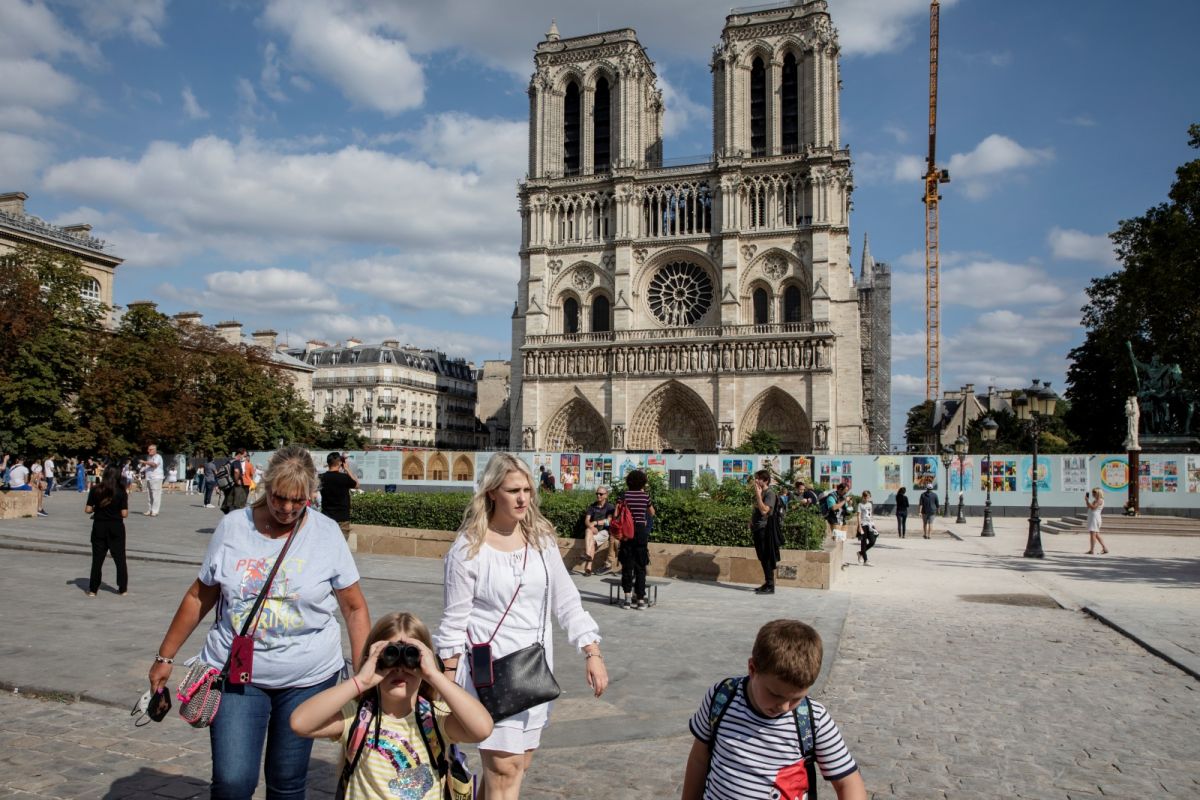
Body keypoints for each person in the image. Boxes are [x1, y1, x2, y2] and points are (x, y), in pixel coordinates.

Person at [147, 445, 371, 800]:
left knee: (287, 782)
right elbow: (199, 596)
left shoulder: (326, 534)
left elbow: (355, 608)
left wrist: (362, 676)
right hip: (236, 675)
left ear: (311, 494)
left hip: (308, 679)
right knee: (233, 781)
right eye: (279, 497)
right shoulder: (233, 527)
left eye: (298, 501)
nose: (287, 508)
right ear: (266, 487)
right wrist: (165, 656)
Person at [433, 453, 608, 800]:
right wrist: (445, 685)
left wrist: (592, 651)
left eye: (527, 489)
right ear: (492, 492)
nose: (523, 498)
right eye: (513, 490)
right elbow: (453, 624)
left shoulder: (541, 541)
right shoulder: (469, 549)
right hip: (490, 678)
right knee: (504, 771)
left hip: (533, 676)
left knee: (516, 767)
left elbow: (567, 600)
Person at [290, 612, 494, 800]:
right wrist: (361, 681)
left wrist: (434, 675)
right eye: (389, 657)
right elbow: (300, 723)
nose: (399, 669)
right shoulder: (358, 716)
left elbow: (482, 728)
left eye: (411, 659)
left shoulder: (434, 719)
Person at [681, 619, 866, 800]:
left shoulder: (813, 720)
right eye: (775, 694)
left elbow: (848, 782)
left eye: (796, 698)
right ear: (752, 669)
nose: (784, 707)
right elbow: (699, 758)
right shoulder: (721, 697)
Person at [85, 464, 129, 596]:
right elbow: (124, 514)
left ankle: (93, 589)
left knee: (97, 559)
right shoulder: (121, 492)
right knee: (120, 558)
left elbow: (87, 509)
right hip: (116, 527)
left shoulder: (95, 490)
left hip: (99, 526)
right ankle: (122, 588)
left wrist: (96, 509)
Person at [618, 469, 656, 609]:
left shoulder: (624, 495)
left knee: (627, 566)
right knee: (640, 567)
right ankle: (640, 599)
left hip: (627, 532)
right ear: (643, 482)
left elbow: (617, 512)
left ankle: (627, 599)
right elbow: (652, 512)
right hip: (640, 532)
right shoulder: (645, 497)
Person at [750, 470, 780, 595]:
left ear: (765, 480)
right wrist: (750, 520)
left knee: (766, 557)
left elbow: (764, 511)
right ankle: (767, 582)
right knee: (762, 557)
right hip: (757, 528)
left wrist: (758, 494)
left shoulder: (769, 494)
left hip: (765, 529)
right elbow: (757, 510)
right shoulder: (762, 492)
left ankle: (770, 585)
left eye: (758, 479)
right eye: (756, 478)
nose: (756, 481)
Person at [320, 452, 359, 539]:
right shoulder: (344, 478)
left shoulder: (321, 477)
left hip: (326, 517)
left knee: (326, 545)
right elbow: (356, 485)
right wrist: (347, 469)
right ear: (340, 463)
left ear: (328, 463)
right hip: (342, 517)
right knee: (341, 547)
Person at [581, 486, 616, 576]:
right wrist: (591, 526)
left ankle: (588, 562)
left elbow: (608, 521)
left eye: (601, 494)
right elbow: (587, 520)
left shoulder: (610, 507)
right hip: (594, 530)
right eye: (597, 493)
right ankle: (588, 563)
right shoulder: (592, 506)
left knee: (590, 538)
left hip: (604, 531)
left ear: (606, 495)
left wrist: (595, 522)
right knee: (588, 530)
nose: (598, 496)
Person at [139, 443, 164, 517]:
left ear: (154, 450)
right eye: (148, 449)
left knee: (156, 495)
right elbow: (148, 466)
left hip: (156, 477)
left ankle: (155, 511)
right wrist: (141, 469)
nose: (148, 451)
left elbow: (154, 464)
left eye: (150, 449)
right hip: (149, 477)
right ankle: (150, 510)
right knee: (149, 495)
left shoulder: (158, 456)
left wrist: (144, 462)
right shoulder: (149, 457)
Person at [856, 490, 878, 566]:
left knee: (872, 541)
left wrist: (873, 524)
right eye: (866, 498)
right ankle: (866, 560)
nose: (867, 499)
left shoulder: (870, 504)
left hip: (869, 524)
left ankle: (860, 553)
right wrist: (859, 526)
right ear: (863, 497)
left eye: (868, 497)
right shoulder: (860, 505)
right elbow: (858, 516)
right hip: (862, 524)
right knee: (863, 542)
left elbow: (870, 514)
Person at [1085, 487, 1109, 555]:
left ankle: (1092, 550)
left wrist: (1088, 501)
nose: (1093, 494)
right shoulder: (1095, 500)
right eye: (1093, 492)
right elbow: (1089, 507)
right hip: (1092, 517)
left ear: (1098, 493)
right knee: (1097, 535)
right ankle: (1105, 548)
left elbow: (1093, 508)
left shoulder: (1100, 500)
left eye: (1094, 492)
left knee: (1093, 534)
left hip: (1095, 518)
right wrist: (1087, 501)